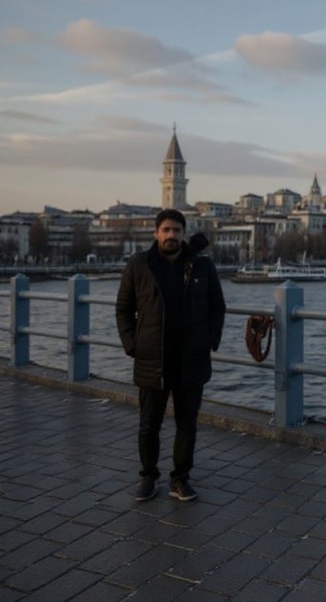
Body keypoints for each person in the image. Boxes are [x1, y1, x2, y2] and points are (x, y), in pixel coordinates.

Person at [116, 208, 226, 503]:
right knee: (148, 424)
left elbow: (217, 307)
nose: (171, 235)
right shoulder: (139, 265)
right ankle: (148, 476)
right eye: (166, 230)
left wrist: (211, 339)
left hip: (191, 359)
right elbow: (123, 309)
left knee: (186, 424)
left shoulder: (202, 266)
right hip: (152, 359)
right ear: (156, 233)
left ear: (183, 234)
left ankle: (180, 478)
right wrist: (132, 345)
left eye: (176, 230)